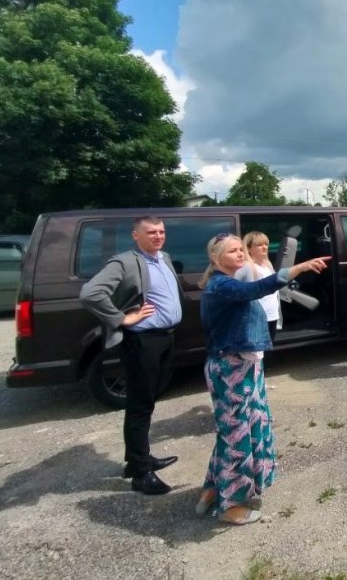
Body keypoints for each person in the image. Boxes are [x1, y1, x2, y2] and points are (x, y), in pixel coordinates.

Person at [196, 233, 327, 525]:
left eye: (241, 249)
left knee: (235, 431)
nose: (240, 254)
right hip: (230, 369)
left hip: (244, 365)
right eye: (233, 251)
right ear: (216, 259)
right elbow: (260, 288)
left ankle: (213, 487)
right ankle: (230, 506)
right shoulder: (222, 285)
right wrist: (299, 268)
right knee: (236, 436)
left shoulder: (228, 281)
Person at [79, 216, 183, 496]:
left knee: (149, 398)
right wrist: (122, 318)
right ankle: (140, 472)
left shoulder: (165, 257)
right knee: (139, 404)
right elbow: (90, 293)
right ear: (135, 236)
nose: (158, 236)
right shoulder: (125, 261)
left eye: (161, 231)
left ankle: (140, 457)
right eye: (151, 232)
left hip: (165, 337)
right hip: (142, 341)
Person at [235, 231, 281, 342]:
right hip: (256, 317)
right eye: (259, 245)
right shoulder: (246, 266)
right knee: (257, 353)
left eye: (266, 244)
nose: (264, 247)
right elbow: (234, 287)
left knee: (268, 350)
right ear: (249, 248)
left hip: (272, 315)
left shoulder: (267, 264)